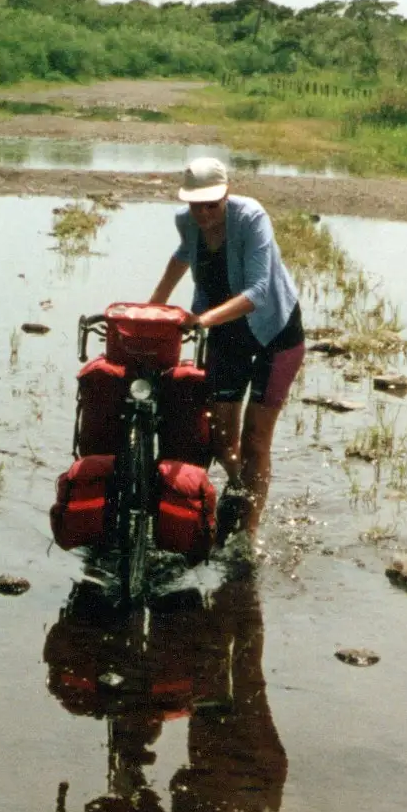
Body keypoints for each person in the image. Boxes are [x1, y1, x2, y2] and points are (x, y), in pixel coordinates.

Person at [149, 155, 305, 547]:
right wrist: (154, 307)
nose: (202, 214)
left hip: (275, 331)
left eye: (211, 205)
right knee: (220, 439)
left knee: (255, 439)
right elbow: (184, 254)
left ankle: (248, 535)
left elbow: (257, 292)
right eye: (195, 205)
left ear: (226, 194)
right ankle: (240, 489)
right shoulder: (187, 222)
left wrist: (200, 321)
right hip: (226, 333)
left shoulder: (252, 218)